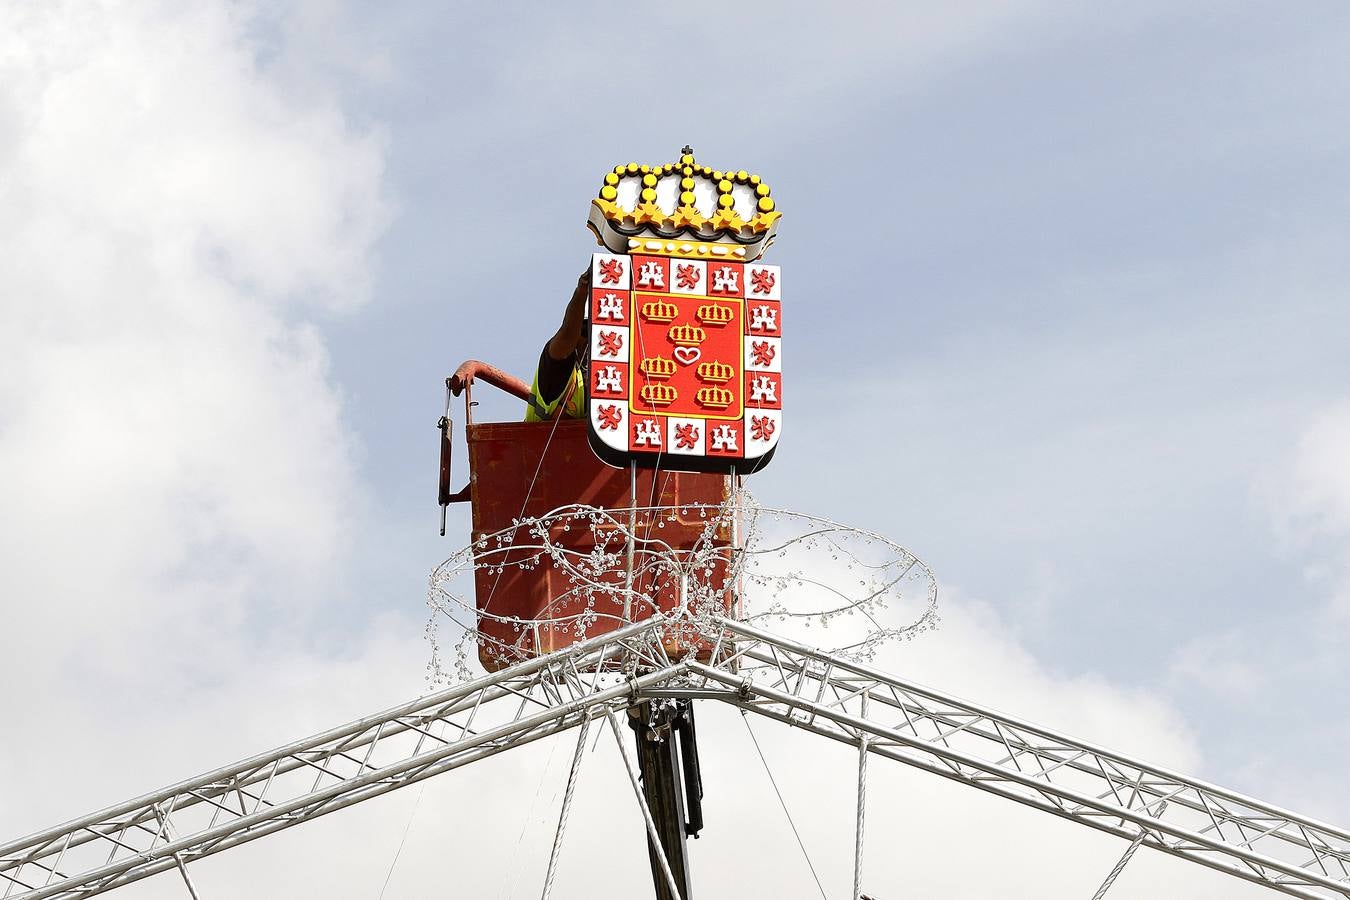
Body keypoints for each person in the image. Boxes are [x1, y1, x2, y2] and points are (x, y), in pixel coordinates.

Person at [525, 268, 590, 421]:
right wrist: (582, 292)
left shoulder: (601, 380)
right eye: (585, 333)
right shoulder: (558, 369)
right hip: (543, 436)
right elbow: (567, 336)